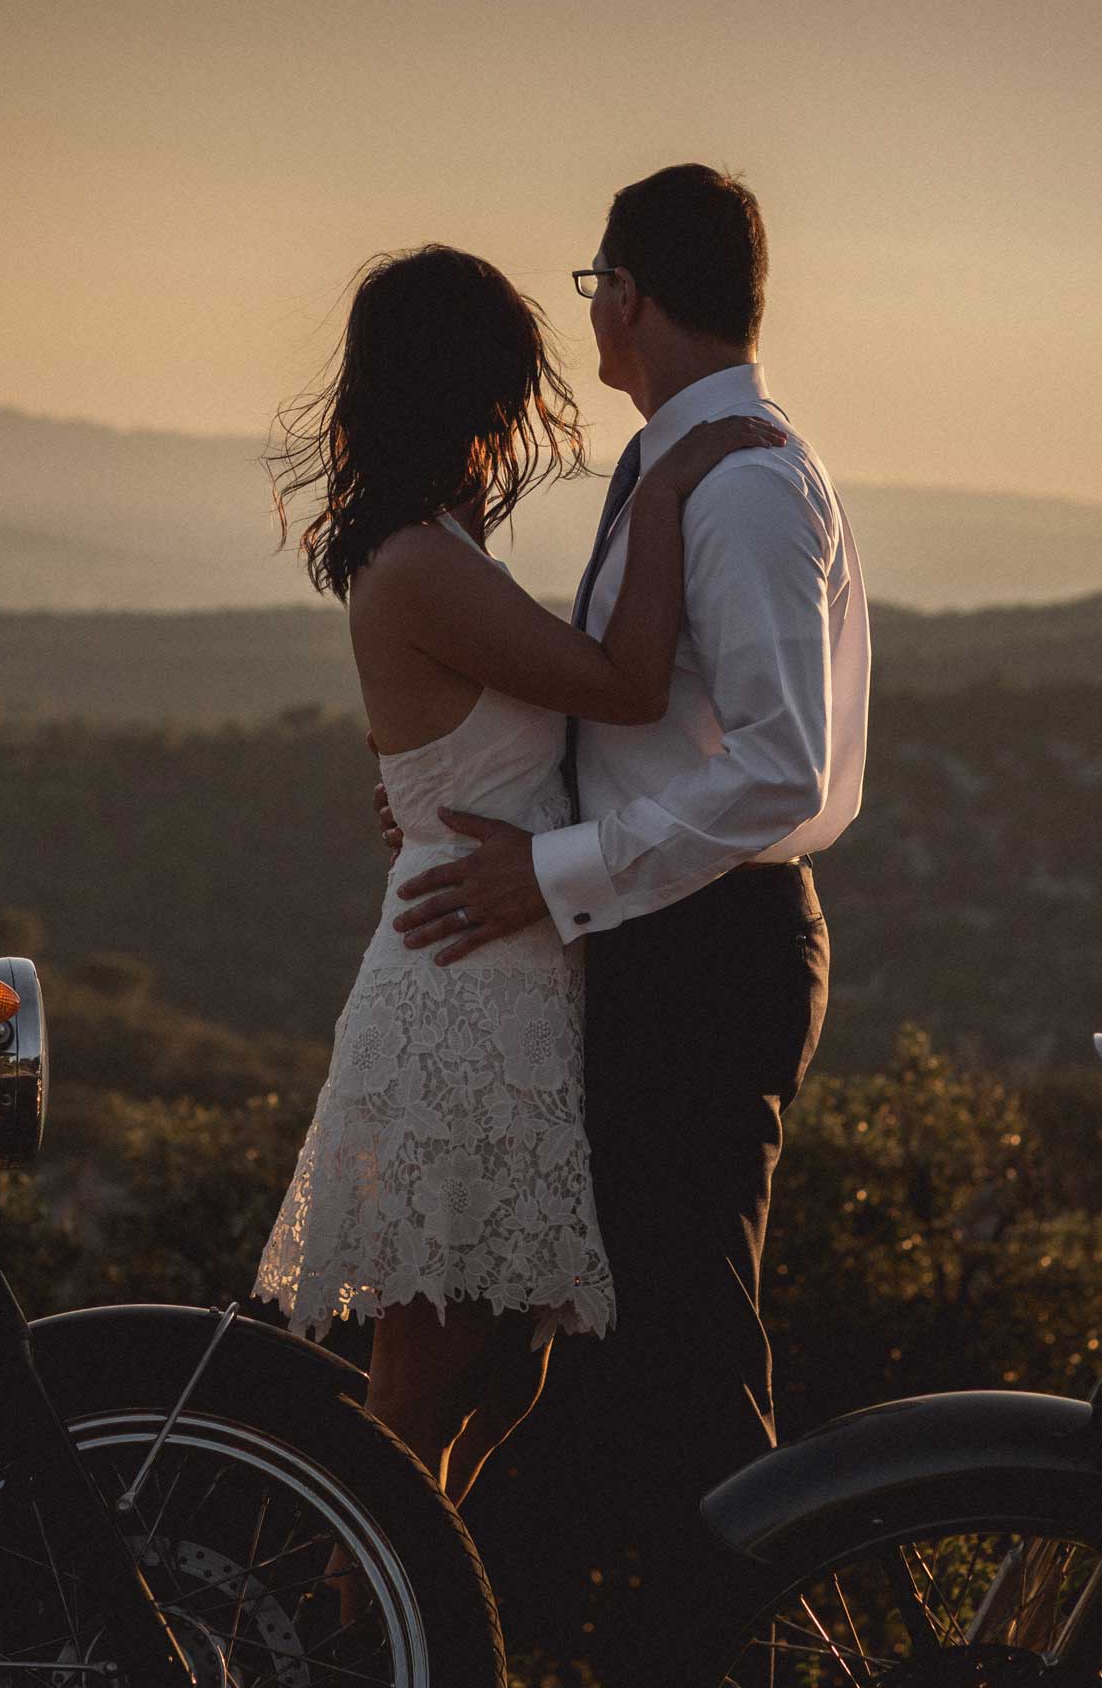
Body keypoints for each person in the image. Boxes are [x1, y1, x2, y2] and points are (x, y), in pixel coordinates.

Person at [384, 166, 871, 1678]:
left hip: (710, 953)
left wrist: (558, 872)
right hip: (660, 950)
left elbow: (780, 768)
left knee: (686, 1351)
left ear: (633, 298)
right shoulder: (688, 466)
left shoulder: (737, 486)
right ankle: (505, 1633)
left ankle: (744, 1646)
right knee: (617, 1358)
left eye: (598, 281)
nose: (592, 305)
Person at [252, 242, 783, 1507]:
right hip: (465, 995)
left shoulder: (436, 538)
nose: (522, 409)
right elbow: (626, 686)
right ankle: (352, 1620)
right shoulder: (423, 561)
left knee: (498, 1379)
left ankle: (413, 1603)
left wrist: (432, 805)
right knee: (415, 1394)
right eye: (504, 380)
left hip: (510, 976)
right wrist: (661, 499)